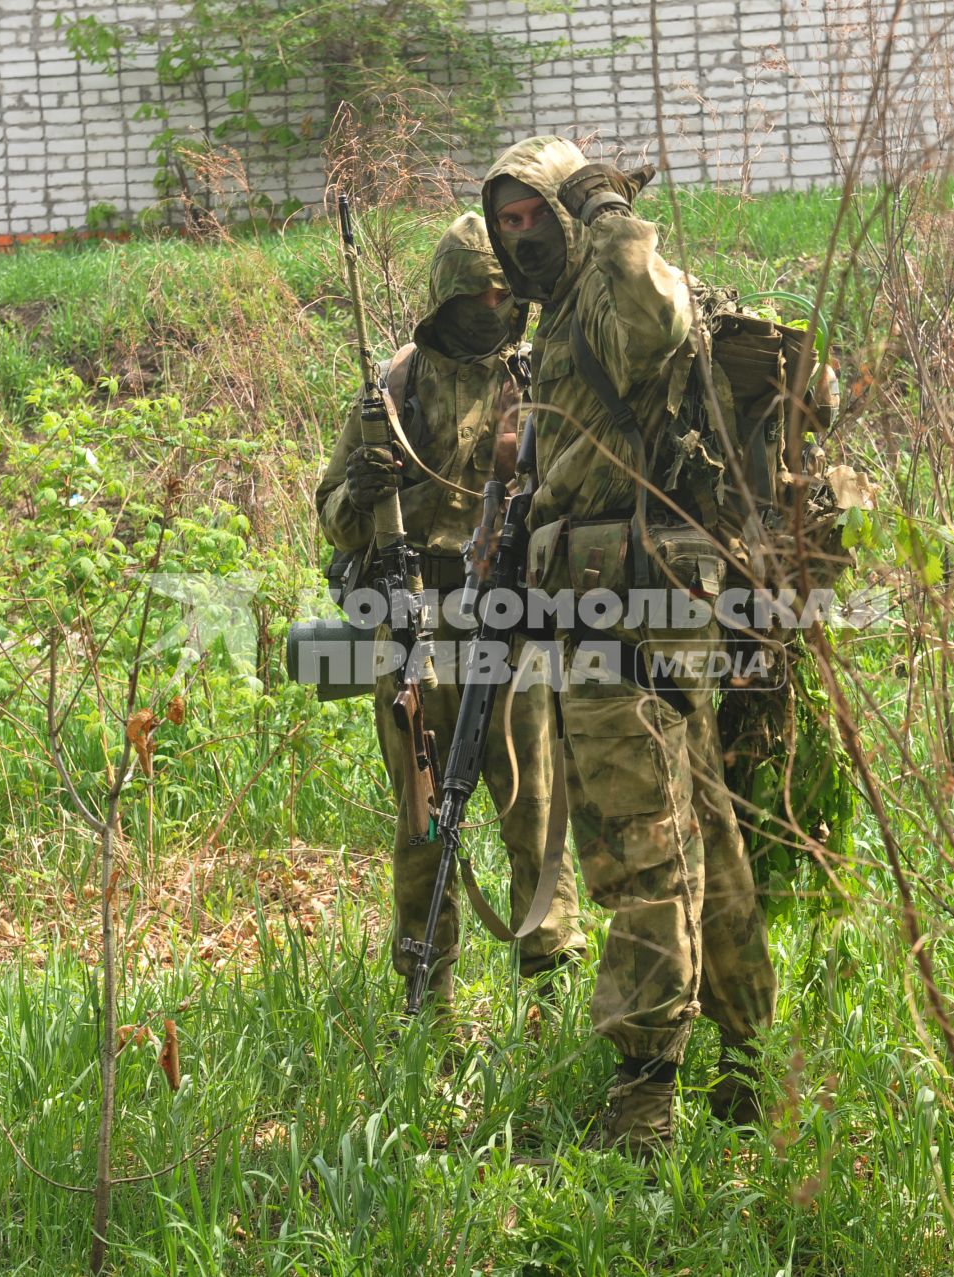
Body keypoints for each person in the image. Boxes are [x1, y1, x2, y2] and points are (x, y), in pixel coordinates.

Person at [480, 136, 777, 1155]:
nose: (521, 238)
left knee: (637, 855)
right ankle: (750, 1060)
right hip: (618, 610)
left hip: (625, 617)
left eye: (536, 216)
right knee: (702, 828)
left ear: (573, 215)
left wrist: (608, 214)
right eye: (505, 220)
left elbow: (656, 325)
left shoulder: (615, 289)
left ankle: (646, 1100)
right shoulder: (563, 313)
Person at [316, 211, 586, 1013]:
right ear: (447, 297)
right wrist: (360, 495)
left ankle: (553, 976)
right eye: (480, 295)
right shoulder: (393, 389)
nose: (496, 309)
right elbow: (328, 512)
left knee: (532, 803)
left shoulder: (532, 382)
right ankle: (424, 987)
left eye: (507, 294)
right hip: (415, 625)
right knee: (424, 818)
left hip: (509, 620)